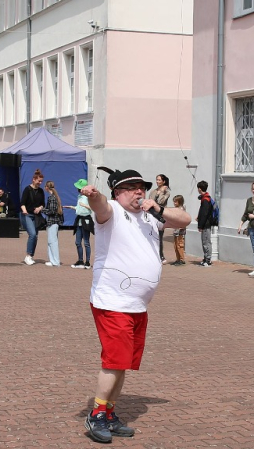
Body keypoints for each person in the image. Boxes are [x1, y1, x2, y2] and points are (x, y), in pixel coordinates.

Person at [79, 169, 191, 444]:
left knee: (124, 363)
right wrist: (94, 196)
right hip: (112, 302)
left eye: (141, 187)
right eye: (131, 188)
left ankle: (109, 414)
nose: (139, 192)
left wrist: (158, 208)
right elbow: (100, 206)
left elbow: (186, 220)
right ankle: (96, 414)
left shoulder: (152, 216)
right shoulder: (114, 211)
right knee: (114, 361)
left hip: (137, 306)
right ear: (118, 193)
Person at [64, 178, 93, 269]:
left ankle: (87, 262)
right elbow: (79, 208)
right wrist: (72, 207)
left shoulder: (89, 197)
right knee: (77, 242)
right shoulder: (79, 197)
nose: (78, 190)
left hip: (86, 221)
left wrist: (85, 205)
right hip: (79, 221)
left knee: (86, 242)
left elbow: (93, 207)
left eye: (80, 188)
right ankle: (80, 260)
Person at [20, 169, 45, 265]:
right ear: (33, 179)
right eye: (39, 181)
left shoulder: (41, 191)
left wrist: (39, 208)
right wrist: (24, 210)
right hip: (28, 215)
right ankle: (28, 255)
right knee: (32, 234)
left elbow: (43, 203)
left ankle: (31, 256)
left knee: (36, 237)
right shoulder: (27, 189)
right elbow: (22, 203)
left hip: (37, 216)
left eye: (41, 181)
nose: (40, 183)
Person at [149, 174, 171, 264]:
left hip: (160, 216)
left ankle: (161, 256)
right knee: (151, 235)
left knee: (159, 236)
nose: (157, 181)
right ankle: (152, 255)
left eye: (159, 180)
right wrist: (157, 193)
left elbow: (160, 202)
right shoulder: (153, 191)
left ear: (163, 181)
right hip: (151, 215)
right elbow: (150, 201)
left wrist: (160, 193)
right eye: (156, 179)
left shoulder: (167, 192)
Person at [44, 180, 64, 267]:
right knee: (51, 241)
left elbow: (51, 211)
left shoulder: (51, 198)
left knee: (52, 242)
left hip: (52, 221)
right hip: (54, 222)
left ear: (47, 188)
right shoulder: (56, 197)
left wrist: (42, 209)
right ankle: (52, 260)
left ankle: (55, 261)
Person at [196, 181, 214, 267]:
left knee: (206, 242)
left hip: (206, 224)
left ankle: (208, 260)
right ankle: (205, 258)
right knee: (205, 241)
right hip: (206, 223)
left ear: (199, 189)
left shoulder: (205, 200)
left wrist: (200, 226)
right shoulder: (206, 198)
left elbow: (204, 214)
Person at [170, 195, 186, 265]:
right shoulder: (176, 209)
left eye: (176, 201)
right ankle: (178, 259)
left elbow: (183, 219)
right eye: (174, 201)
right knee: (175, 245)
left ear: (180, 202)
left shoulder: (181, 209)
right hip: (176, 229)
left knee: (180, 245)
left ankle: (182, 260)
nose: (174, 203)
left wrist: (182, 226)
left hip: (180, 230)